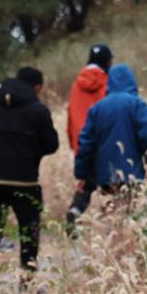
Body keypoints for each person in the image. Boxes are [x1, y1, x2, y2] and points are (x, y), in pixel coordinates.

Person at [0, 67, 59, 294]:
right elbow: (51, 144)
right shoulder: (38, 110)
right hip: (24, 180)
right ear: (37, 87)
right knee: (29, 230)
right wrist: (32, 152)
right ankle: (26, 281)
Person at [73, 64, 147, 203]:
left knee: (113, 210)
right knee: (131, 211)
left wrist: (81, 174)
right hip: (133, 173)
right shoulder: (137, 104)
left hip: (105, 176)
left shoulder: (96, 109)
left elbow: (85, 144)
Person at [64, 43, 112, 232]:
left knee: (85, 184)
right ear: (108, 61)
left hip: (81, 142)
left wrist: (73, 143)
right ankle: (113, 227)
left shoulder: (76, 84)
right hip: (104, 142)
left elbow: (70, 114)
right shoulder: (107, 82)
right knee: (111, 186)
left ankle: (75, 211)